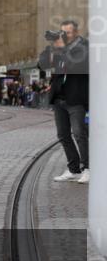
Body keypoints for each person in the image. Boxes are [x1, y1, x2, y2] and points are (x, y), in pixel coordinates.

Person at [39, 20, 90, 183]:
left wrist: (62, 49)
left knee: (79, 134)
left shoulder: (83, 47)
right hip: (59, 99)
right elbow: (42, 65)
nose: (64, 36)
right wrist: (52, 49)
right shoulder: (59, 47)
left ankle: (88, 168)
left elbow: (75, 65)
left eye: (67, 33)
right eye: (62, 32)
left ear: (75, 32)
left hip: (76, 98)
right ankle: (74, 169)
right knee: (63, 135)